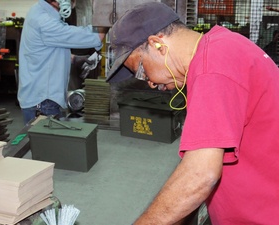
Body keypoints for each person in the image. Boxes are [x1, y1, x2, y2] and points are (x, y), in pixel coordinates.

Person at [106, 2, 279, 225]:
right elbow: (198, 162)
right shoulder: (221, 46)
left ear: (158, 44)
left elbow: (200, 174)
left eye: (141, 69)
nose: (149, 82)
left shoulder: (212, 69)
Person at [18, 0, 107, 124]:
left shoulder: (38, 11)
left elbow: (48, 49)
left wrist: (74, 59)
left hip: (40, 97)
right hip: (43, 102)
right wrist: (108, 16)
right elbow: (94, 36)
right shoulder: (45, 20)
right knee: (49, 143)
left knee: (44, 142)